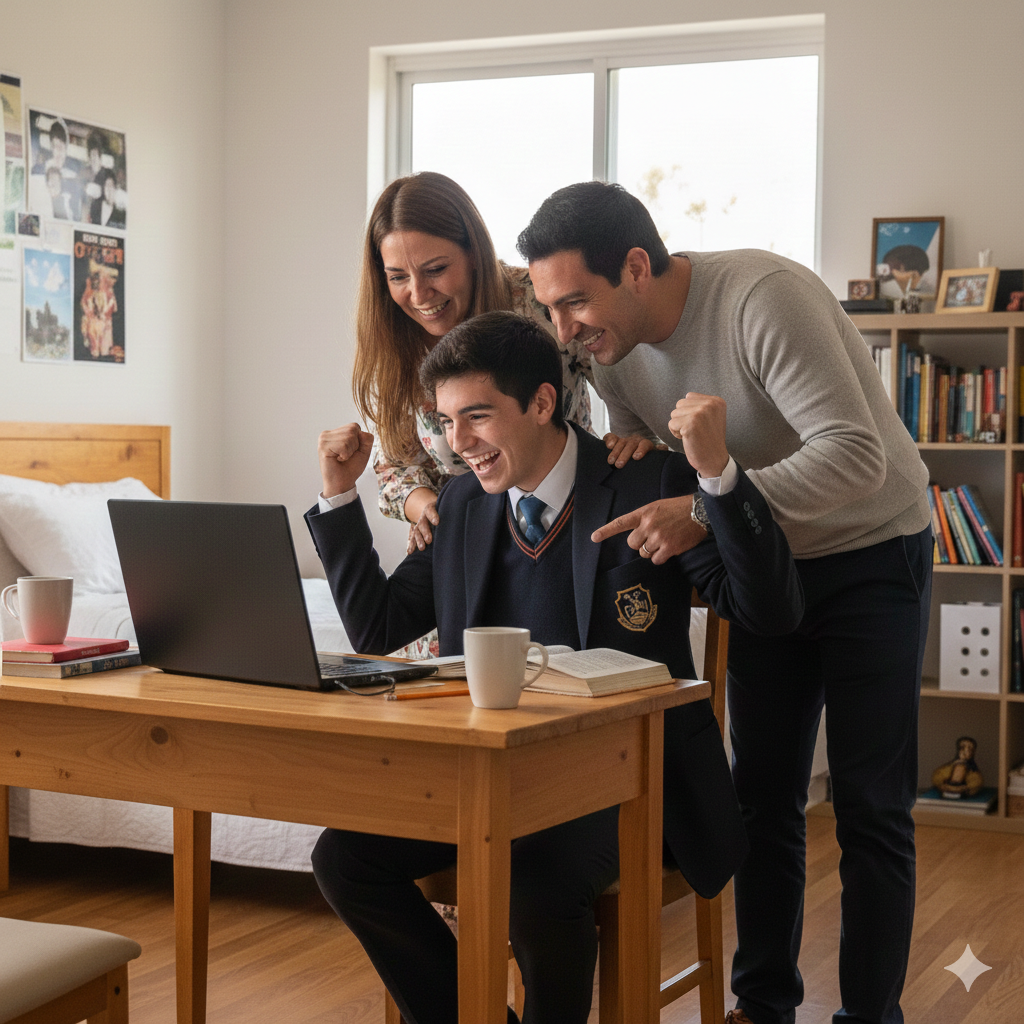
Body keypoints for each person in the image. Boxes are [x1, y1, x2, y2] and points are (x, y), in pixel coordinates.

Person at [306, 310, 804, 1024]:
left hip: (633, 784)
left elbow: (768, 612)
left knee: (536, 882)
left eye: (476, 417)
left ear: (542, 402)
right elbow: (379, 630)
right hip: (497, 779)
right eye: (446, 423)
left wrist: (718, 478)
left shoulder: (646, 480)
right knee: (342, 859)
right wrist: (338, 495)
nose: (459, 444)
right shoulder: (463, 506)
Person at [518, 181, 932, 1024]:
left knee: (869, 808)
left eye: (574, 303)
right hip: (763, 564)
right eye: (550, 310)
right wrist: (645, 463)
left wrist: (705, 508)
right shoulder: (612, 352)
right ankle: (763, 1005)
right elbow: (667, 459)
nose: (565, 333)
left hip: (870, 552)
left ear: (636, 266)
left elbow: (855, 458)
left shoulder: (762, 300)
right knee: (764, 797)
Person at [352, 171, 651, 563]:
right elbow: (394, 468)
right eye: (398, 277)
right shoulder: (393, 341)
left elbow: (629, 380)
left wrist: (634, 434)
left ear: (473, 253)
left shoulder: (542, 299)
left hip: (571, 523)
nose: (419, 294)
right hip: (466, 539)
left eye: (436, 270)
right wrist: (427, 507)